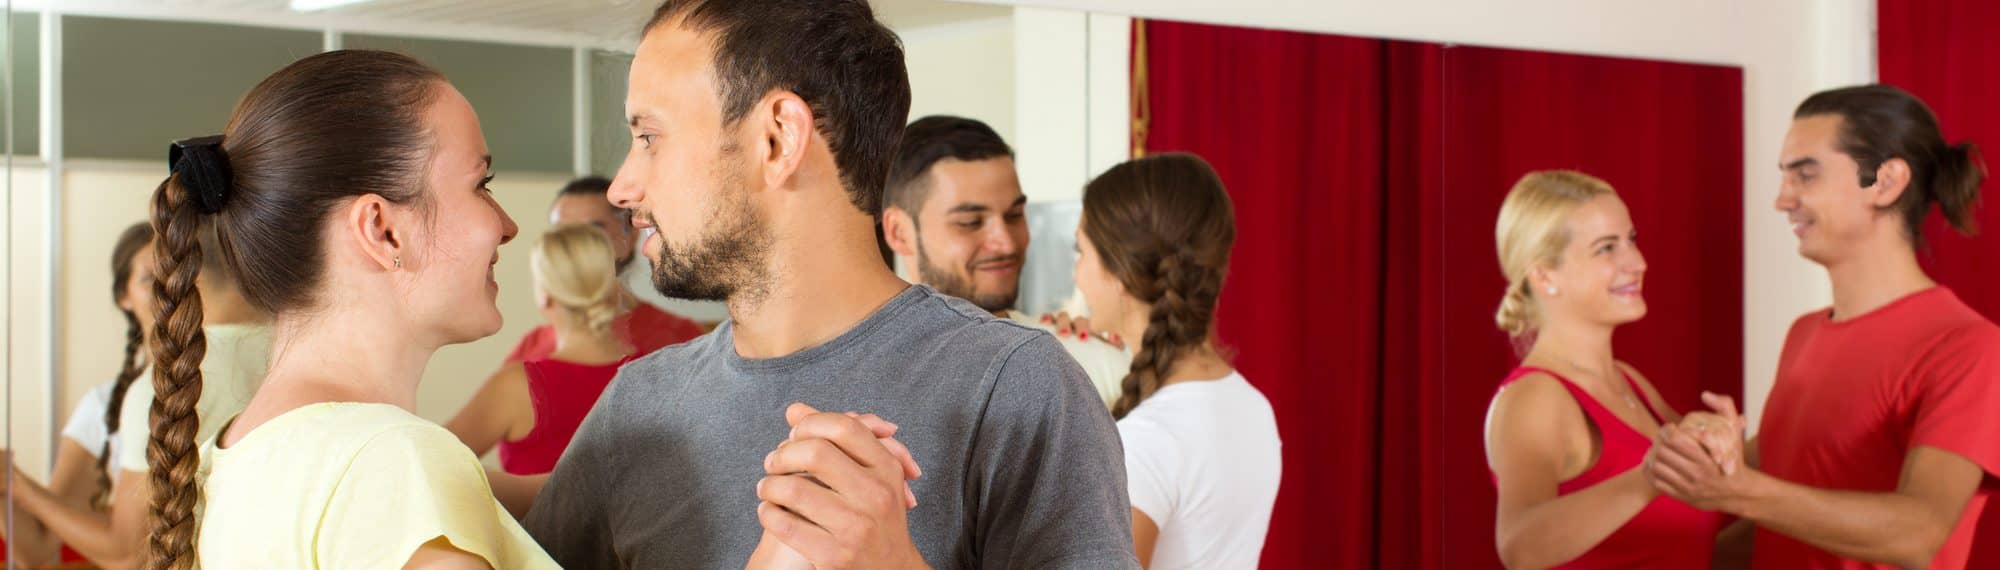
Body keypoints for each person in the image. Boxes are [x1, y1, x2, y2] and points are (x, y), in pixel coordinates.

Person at [522, 1, 1137, 568]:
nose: (622, 187)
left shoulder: (1016, 388)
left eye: (649, 137)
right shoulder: (637, 406)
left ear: (778, 138)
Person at [140, 49, 554, 569]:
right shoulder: (394, 462)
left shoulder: (230, 459)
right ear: (382, 229)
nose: (507, 225)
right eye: (481, 186)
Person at [1647, 84, 2000, 570]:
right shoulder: (1805, 334)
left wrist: (1740, 490)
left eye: (1805, 176)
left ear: (1885, 181)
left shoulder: (1969, 347)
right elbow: (1785, 517)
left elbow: (1919, 533)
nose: (1782, 199)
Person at [1481, 170, 1725, 568]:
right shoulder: (1535, 398)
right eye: (1606, 248)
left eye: (1631, 240)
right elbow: (1520, 546)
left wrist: (1727, 436)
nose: (1638, 262)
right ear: (1544, 275)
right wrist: (1651, 477)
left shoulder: (1630, 382)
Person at [1070, 153, 1281, 568]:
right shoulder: (1253, 406)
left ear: (1121, 273)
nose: (1076, 273)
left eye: (1081, 252)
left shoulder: (1145, 442)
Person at [881, 114, 1132, 407]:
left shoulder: (1094, 364)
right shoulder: (863, 378)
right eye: (971, 222)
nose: (1006, 243)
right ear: (899, 233)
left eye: (1014, 216)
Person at [0, 222, 155, 567]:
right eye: (149, 280)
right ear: (123, 297)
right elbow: (40, 551)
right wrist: (10, 486)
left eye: (177, 275)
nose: (168, 291)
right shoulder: (102, 408)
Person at [448, 224, 636, 475]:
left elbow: (426, 462)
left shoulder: (518, 387)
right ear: (614, 292)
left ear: (545, 296)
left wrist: (493, 487)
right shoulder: (655, 373)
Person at [502, 176, 707, 364]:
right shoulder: (532, 347)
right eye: (562, 234)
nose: (576, 246)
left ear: (631, 234)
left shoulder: (679, 339)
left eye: (592, 232)